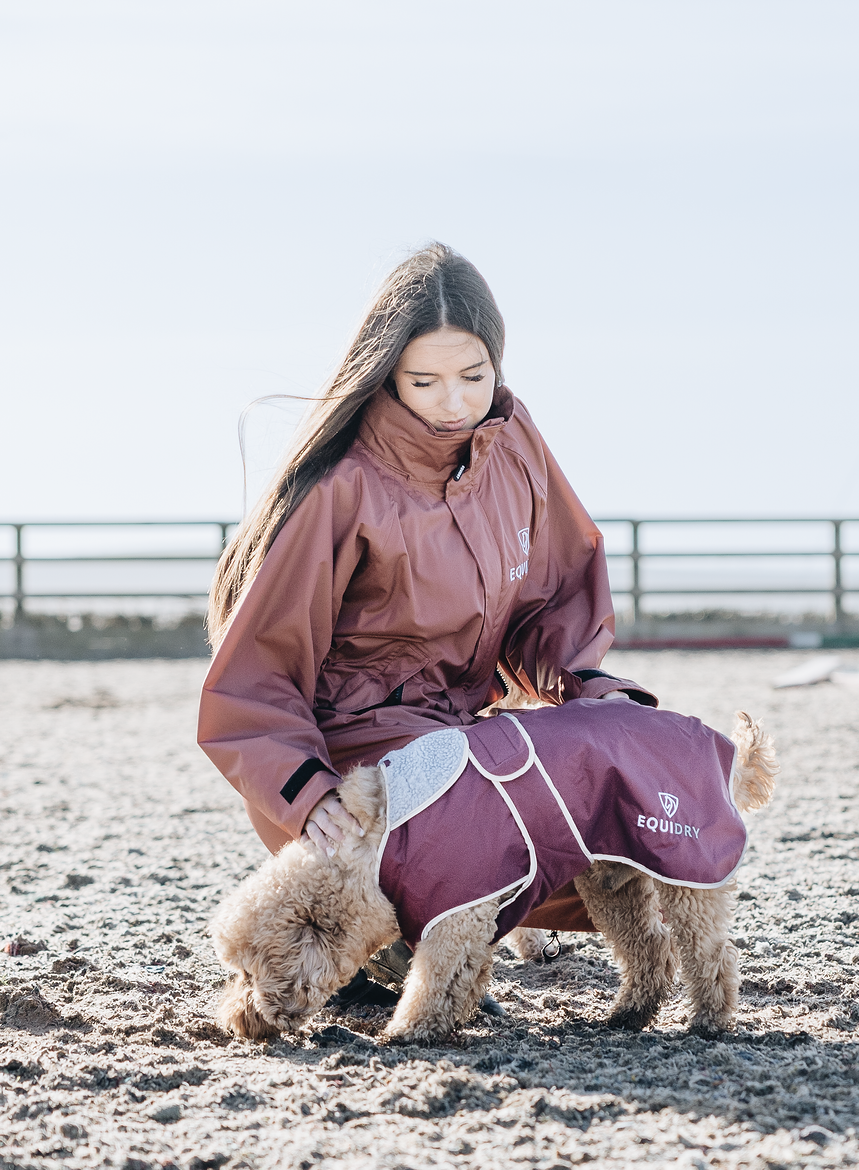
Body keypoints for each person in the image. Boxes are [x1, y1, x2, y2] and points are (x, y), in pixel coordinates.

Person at [198, 243, 657, 1003]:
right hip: (358, 761)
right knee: (486, 824)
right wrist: (307, 792)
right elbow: (255, 678)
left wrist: (585, 684)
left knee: (622, 798)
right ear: (386, 375)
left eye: (473, 377)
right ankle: (383, 927)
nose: (453, 402)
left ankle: (440, 915)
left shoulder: (513, 448)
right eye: (425, 381)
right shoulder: (343, 490)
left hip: (466, 735)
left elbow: (547, 599)